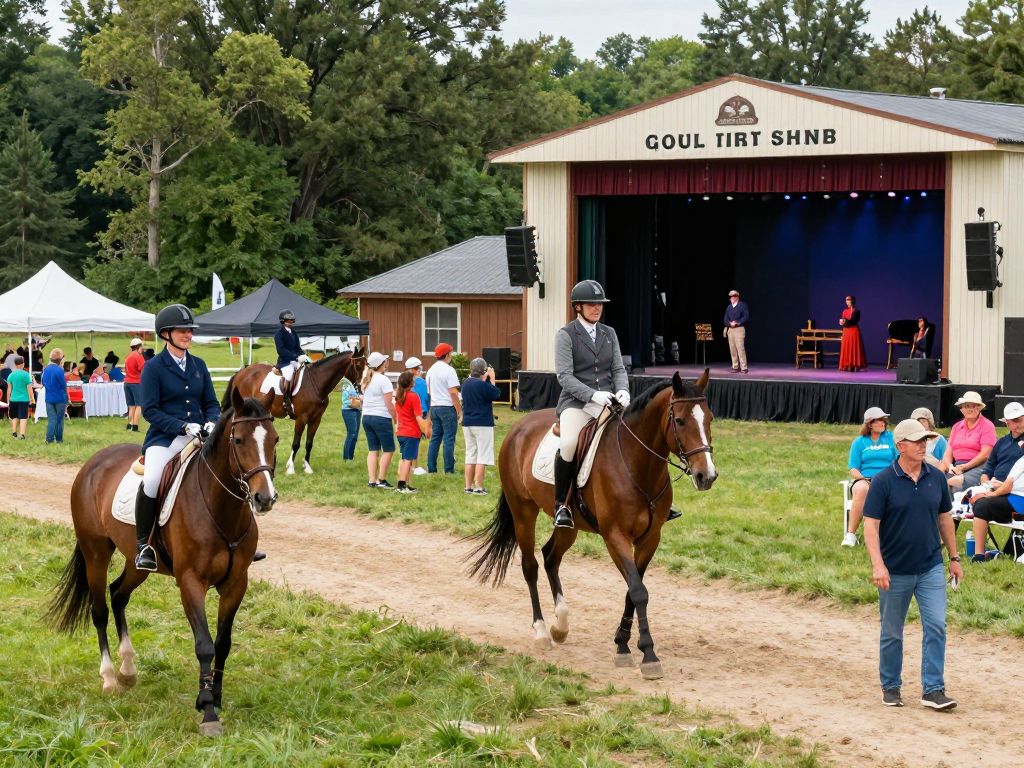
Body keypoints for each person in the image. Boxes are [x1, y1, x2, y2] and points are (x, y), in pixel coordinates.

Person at [863, 418, 961, 710]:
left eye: (926, 441)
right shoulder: (882, 481)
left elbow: (945, 518)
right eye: (918, 441)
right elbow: (871, 527)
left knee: (937, 625)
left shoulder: (935, 477)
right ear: (900, 446)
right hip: (894, 569)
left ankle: (933, 689)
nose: (923, 445)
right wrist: (877, 565)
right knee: (892, 631)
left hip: (930, 565)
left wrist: (954, 558)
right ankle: (891, 686)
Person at [137, 304, 220, 572]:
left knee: (231, 471)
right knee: (151, 480)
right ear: (166, 334)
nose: (188, 335)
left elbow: (211, 402)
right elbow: (149, 410)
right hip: (165, 438)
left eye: (190, 330)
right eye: (182, 330)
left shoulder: (199, 364)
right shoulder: (153, 367)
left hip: (200, 436)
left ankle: (236, 540)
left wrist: (210, 421)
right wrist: (183, 427)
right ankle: (143, 546)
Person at [554, 279, 630, 529]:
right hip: (576, 403)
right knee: (568, 443)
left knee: (635, 435)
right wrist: (592, 395)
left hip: (608, 401)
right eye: (591, 304)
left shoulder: (609, 333)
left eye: (600, 304)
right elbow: (564, 376)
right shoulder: (566, 335)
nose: (597, 308)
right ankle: (561, 505)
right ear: (578, 307)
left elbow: (618, 368)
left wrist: (622, 390)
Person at [842, 407, 897, 547]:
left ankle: (889, 535)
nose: (883, 422)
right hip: (865, 479)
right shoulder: (859, 442)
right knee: (861, 489)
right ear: (870, 424)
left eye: (884, 419)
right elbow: (853, 468)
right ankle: (850, 535)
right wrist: (863, 479)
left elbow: (899, 460)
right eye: (879, 420)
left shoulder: (891, 438)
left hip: (887, 478)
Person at [462, 357, 502, 494]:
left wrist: (485, 378)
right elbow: (496, 394)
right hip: (482, 423)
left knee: (470, 454)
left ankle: (468, 486)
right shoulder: (483, 385)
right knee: (482, 455)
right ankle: (478, 487)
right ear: (483, 370)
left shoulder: (465, 383)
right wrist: (492, 379)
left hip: (467, 423)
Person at [942, 391, 996, 490]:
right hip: (957, 467)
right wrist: (950, 467)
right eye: (966, 406)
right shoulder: (956, 427)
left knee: (954, 482)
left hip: (980, 467)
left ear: (979, 408)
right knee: (937, 481)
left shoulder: (987, 425)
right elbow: (948, 453)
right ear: (961, 409)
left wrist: (964, 467)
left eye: (974, 406)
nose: (970, 409)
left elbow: (985, 454)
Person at [360, 351, 396, 488]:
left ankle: (372, 480)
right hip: (381, 417)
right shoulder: (384, 380)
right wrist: (396, 418)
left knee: (373, 449)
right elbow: (389, 404)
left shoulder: (366, 379)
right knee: (388, 449)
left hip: (366, 417)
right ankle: (381, 480)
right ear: (381, 365)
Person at [425, 343, 462, 474]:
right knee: (448, 439)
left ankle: (431, 468)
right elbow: (453, 392)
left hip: (434, 407)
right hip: (447, 407)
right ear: (447, 355)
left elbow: (429, 393)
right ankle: (449, 469)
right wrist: (459, 410)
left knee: (435, 438)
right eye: (450, 353)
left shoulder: (430, 370)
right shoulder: (449, 370)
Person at [394, 371, 431, 494]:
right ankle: (402, 485)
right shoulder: (413, 396)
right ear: (411, 383)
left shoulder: (399, 396)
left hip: (401, 432)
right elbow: (418, 417)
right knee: (408, 460)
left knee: (405, 458)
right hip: (411, 433)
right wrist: (425, 429)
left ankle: (405, 483)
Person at [274, 309, 310, 418]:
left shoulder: (294, 332)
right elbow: (281, 350)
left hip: (295, 360)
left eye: (291, 320)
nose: (291, 322)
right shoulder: (279, 334)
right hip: (285, 362)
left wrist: (304, 356)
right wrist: (295, 356)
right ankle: (286, 399)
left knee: (306, 372)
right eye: (288, 320)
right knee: (289, 376)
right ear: (283, 321)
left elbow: (297, 348)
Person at [404, 357, 430, 475]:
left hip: (406, 413)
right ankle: (414, 466)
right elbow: (426, 397)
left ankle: (408, 464)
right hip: (419, 412)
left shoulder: (402, 381)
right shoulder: (420, 382)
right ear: (416, 369)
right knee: (416, 440)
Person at [41, 348, 68, 444]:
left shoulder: (46, 369)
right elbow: (64, 385)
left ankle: (49, 439)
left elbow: (43, 382)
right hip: (60, 398)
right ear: (60, 359)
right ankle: (59, 439)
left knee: (52, 419)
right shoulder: (59, 370)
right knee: (60, 419)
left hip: (48, 397)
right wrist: (68, 399)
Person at [7, 356, 34, 439]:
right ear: (23, 364)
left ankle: (14, 433)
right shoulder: (26, 375)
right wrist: (32, 398)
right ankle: (22, 434)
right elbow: (29, 389)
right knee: (23, 417)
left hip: (13, 399)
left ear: (15, 365)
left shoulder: (11, 375)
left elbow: (9, 389)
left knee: (14, 416)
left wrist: (8, 400)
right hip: (24, 399)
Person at [723, 289, 749, 374]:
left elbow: (746, 316)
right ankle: (735, 366)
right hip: (731, 330)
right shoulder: (729, 307)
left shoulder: (742, 305)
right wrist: (729, 323)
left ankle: (744, 367)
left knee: (740, 348)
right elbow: (725, 319)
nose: (731, 298)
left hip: (739, 329)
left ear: (737, 297)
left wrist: (737, 322)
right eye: (730, 297)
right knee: (732, 349)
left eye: (733, 296)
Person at [838, 295, 867, 372]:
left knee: (854, 347)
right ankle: (847, 364)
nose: (847, 301)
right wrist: (842, 322)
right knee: (847, 348)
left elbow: (853, 321)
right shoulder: (844, 311)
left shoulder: (856, 311)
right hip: (846, 332)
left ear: (852, 301)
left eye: (848, 300)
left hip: (853, 331)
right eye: (846, 300)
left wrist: (845, 322)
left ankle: (855, 364)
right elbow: (844, 321)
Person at [124, 337, 146, 432]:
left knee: (131, 405)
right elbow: (143, 370)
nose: (142, 349)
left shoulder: (128, 357)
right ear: (138, 347)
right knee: (139, 405)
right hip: (136, 383)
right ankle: (135, 426)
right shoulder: (138, 356)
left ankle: (129, 424)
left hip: (127, 383)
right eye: (141, 347)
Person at [340, 375, 362, 462]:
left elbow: (358, 396)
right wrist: (358, 400)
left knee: (355, 435)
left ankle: (351, 457)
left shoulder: (357, 383)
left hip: (357, 410)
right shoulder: (347, 383)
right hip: (349, 411)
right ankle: (347, 457)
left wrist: (357, 399)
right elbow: (346, 400)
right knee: (351, 433)